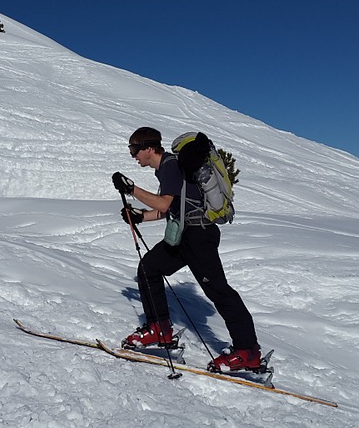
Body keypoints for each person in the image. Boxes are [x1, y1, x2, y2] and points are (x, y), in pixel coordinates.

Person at [112, 126, 262, 371]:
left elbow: (164, 202)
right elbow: (171, 208)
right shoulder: (167, 169)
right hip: (185, 234)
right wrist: (141, 217)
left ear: (149, 148)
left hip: (198, 236)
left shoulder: (170, 166)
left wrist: (131, 189)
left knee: (219, 291)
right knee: (149, 268)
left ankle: (247, 351)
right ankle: (158, 329)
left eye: (134, 149)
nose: (133, 155)